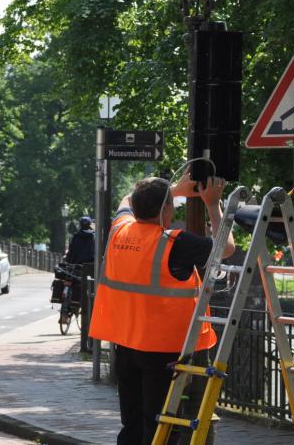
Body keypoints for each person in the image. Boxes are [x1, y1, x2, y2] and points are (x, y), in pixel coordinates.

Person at [89, 172, 235, 445]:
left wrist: (174, 190)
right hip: (163, 348)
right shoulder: (174, 243)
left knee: (131, 423)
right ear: (166, 209)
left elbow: (125, 199)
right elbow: (225, 248)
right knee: (159, 426)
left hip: (126, 345)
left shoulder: (121, 229)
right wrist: (213, 204)